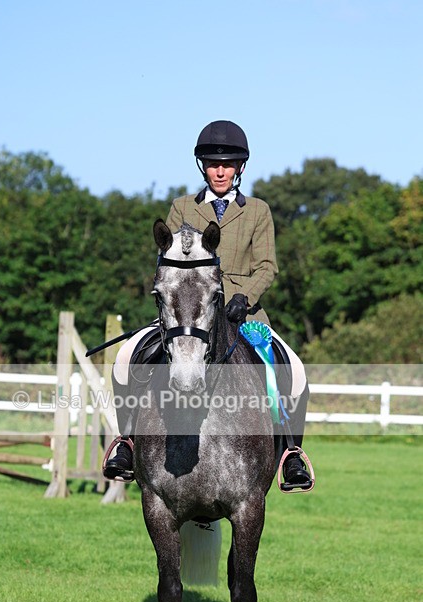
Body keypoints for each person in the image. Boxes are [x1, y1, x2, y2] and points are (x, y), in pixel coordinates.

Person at [104, 120, 313, 491]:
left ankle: (290, 453)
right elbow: (165, 259)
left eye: (228, 163)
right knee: (125, 359)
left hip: (242, 315)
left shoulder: (258, 212)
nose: (220, 170)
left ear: (240, 168)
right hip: (187, 311)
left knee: (292, 369)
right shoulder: (181, 207)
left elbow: (267, 266)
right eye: (213, 163)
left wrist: (242, 297)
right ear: (203, 166)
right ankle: (127, 442)